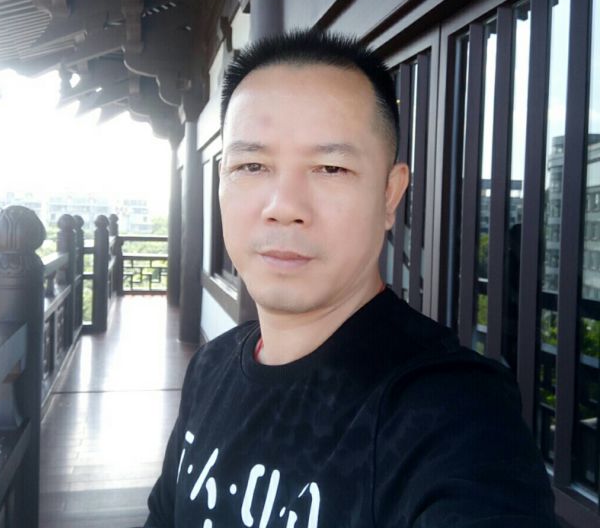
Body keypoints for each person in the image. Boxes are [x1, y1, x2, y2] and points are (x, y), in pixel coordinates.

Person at [145, 30, 559, 527]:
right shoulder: (210, 368)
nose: (284, 207)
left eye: (330, 168)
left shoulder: (453, 412)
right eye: (251, 165)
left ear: (389, 195)